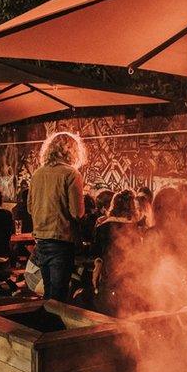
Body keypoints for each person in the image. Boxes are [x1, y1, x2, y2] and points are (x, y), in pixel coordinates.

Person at [30, 131, 86, 302]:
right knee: (59, 296)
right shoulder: (71, 174)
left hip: (40, 241)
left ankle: (44, 327)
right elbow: (77, 212)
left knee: (48, 293)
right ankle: (56, 328)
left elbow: (30, 207)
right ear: (73, 151)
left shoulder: (37, 174)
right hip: (61, 240)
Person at [90, 189, 142, 315]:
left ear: (114, 205)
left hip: (109, 277)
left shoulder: (103, 226)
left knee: (107, 310)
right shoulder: (136, 228)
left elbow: (95, 252)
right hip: (131, 278)